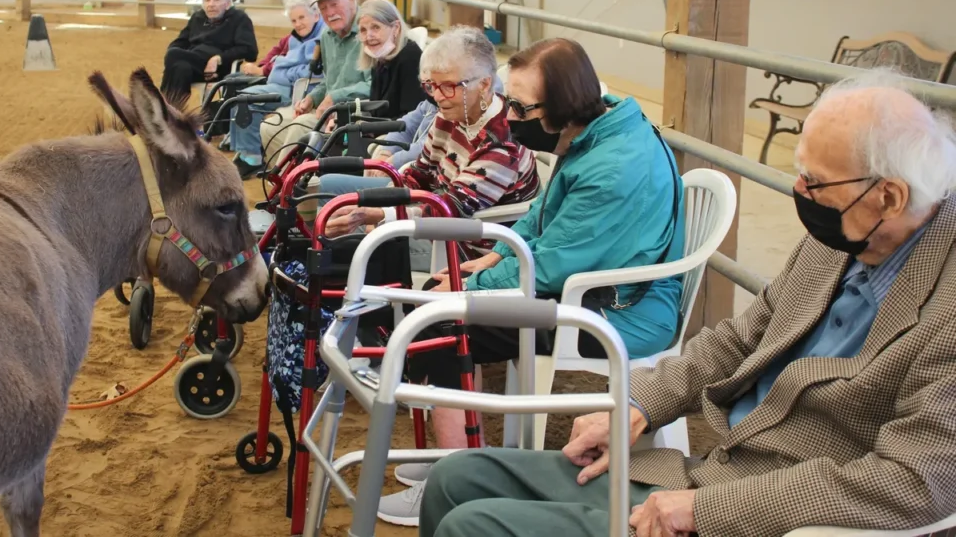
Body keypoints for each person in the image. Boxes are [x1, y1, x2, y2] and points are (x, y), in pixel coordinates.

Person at [420, 71, 956, 537]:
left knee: (475, 526)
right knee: (457, 477)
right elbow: (741, 337)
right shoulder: (845, 234)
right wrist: (639, 404)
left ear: (889, 196)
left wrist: (709, 507)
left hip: (764, 514)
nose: (797, 191)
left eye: (813, 182)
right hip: (709, 469)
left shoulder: (944, 309)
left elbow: (914, 480)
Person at [377, 37, 684, 526]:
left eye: (520, 106)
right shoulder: (594, 132)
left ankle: (451, 471)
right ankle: (455, 460)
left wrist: (464, 293)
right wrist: (494, 257)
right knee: (444, 305)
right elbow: (543, 217)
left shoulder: (614, 166)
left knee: (439, 324)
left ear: (561, 105)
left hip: (620, 312)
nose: (511, 114)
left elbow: (553, 264)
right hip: (588, 287)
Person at [323, 26, 539, 257]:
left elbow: (450, 209)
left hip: (473, 247)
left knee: (343, 248)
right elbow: (420, 173)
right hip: (439, 221)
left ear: (484, 84)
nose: (436, 96)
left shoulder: (501, 144)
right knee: (332, 223)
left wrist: (380, 215)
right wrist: (380, 208)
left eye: (447, 86)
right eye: (431, 86)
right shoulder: (451, 114)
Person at [260, 0, 370, 166]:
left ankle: (287, 186)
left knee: (298, 128)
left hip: (356, 113)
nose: (330, 13)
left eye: (334, 4)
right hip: (328, 111)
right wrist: (312, 98)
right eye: (323, 8)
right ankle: (292, 178)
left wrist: (335, 97)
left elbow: (375, 85)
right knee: (269, 127)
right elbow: (330, 80)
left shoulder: (369, 30)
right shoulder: (327, 35)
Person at [229, 0, 325, 179]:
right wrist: (283, 66)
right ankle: (245, 152)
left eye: (301, 18)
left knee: (245, 100)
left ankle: (252, 159)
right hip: (284, 85)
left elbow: (310, 72)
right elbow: (284, 66)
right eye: (294, 20)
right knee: (239, 97)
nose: (298, 24)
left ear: (315, 15)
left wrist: (282, 66)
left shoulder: (321, 37)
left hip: (299, 90)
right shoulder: (296, 38)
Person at [160, 0, 258, 103]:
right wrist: (174, 52)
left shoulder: (239, 18)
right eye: (207, 0)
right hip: (193, 66)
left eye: (216, 0)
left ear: (227, 4)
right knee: (180, 67)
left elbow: (249, 50)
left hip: (218, 70)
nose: (211, 4)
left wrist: (218, 59)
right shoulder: (197, 17)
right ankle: (173, 110)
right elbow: (180, 41)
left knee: (174, 55)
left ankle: (163, 108)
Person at [356, 0, 424, 119]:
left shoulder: (410, 56)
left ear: (396, 28)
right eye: (363, 30)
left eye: (376, 27)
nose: (368, 36)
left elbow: (411, 118)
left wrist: (368, 128)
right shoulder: (380, 58)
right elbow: (375, 111)